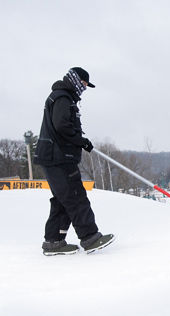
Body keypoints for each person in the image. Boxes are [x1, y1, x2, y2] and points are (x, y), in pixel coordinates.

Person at [34, 67, 114, 256]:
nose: (84, 89)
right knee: (75, 196)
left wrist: (79, 141)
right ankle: (90, 238)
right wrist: (81, 141)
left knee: (63, 199)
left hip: (55, 157)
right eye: (84, 84)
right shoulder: (63, 98)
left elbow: (62, 126)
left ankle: (54, 242)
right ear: (76, 80)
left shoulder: (61, 96)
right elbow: (61, 126)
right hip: (59, 158)